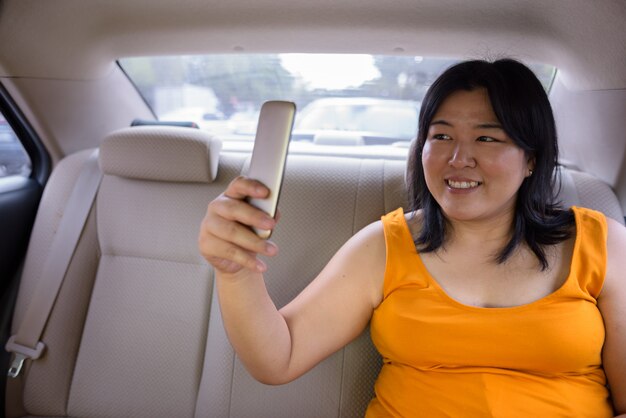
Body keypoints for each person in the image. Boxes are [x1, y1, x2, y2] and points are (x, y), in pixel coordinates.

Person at [198, 59, 626, 417]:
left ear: (531, 158)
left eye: (486, 137)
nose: (458, 159)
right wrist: (234, 271)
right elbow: (279, 357)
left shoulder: (603, 246)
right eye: (441, 136)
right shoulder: (385, 246)